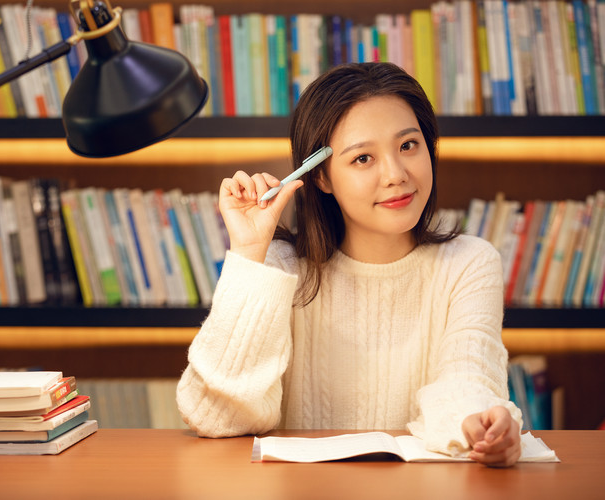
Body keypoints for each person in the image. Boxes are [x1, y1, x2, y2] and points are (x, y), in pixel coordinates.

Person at [176, 62, 522, 467]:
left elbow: (468, 381)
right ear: (320, 176)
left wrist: (481, 425)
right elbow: (215, 417)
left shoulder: (469, 263)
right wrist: (250, 252)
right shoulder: (278, 268)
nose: (396, 175)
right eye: (362, 159)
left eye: (408, 145)